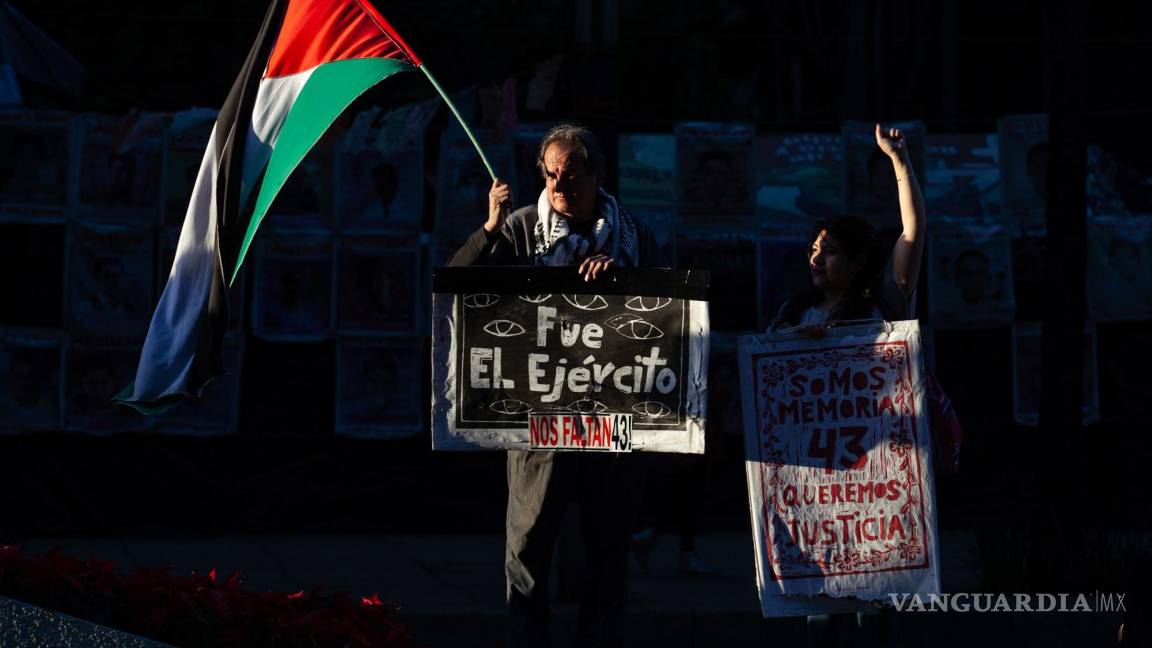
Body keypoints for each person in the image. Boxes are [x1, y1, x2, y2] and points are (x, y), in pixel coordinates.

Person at [447, 123, 667, 648]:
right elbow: (456, 287)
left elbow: (667, 317)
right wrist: (488, 230)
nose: (559, 186)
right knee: (526, 551)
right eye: (549, 175)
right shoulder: (520, 228)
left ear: (598, 174)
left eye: (571, 176)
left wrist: (625, 283)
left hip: (615, 426)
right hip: (537, 424)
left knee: (608, 551)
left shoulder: (635, 233)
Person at [770, 123, 926, 330]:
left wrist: (899, 159)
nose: (816, 259)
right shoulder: (792, 312)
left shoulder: (885, 301)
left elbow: (913, 230)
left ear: (858, 260)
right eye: (815, 250)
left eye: (829, 252)